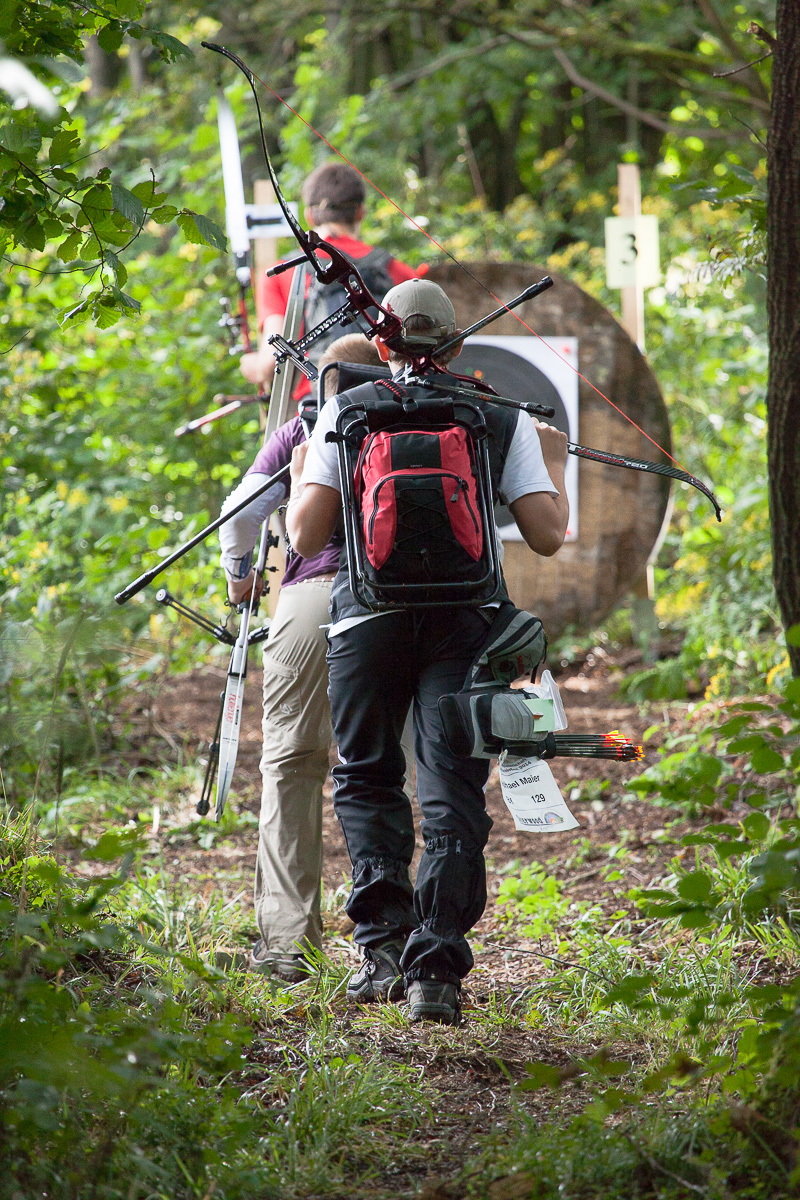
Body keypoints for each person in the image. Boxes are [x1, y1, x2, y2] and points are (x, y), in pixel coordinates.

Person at [286, 279, 570, 1023]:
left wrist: (303, 471)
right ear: (457, 344)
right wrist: (554, 462)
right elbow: (546, 536)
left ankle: (382, 951)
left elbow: (306, 536)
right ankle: (435, 970)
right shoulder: (499, 416)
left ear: (382, 344)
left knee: (368, 777)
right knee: (451, 789)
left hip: (366, 621)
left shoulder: (347, 411)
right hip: (464, 624)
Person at [220, 334, 415, 983]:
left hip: (312, 599)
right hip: (397, 607)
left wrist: (240, 577)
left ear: (325, 381)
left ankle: (287, 945)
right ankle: (401, 940)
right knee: (393, 770)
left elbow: (238, 517)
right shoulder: (412, 421)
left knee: (290, 763)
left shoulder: (301, 428)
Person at [240, 160, 419, 396]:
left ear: (309, 216)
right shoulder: (398, 271)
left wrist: (251, 365)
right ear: (360, 212)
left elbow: (270, 363)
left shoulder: (281, 273)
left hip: (318, 406)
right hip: (393, 404)